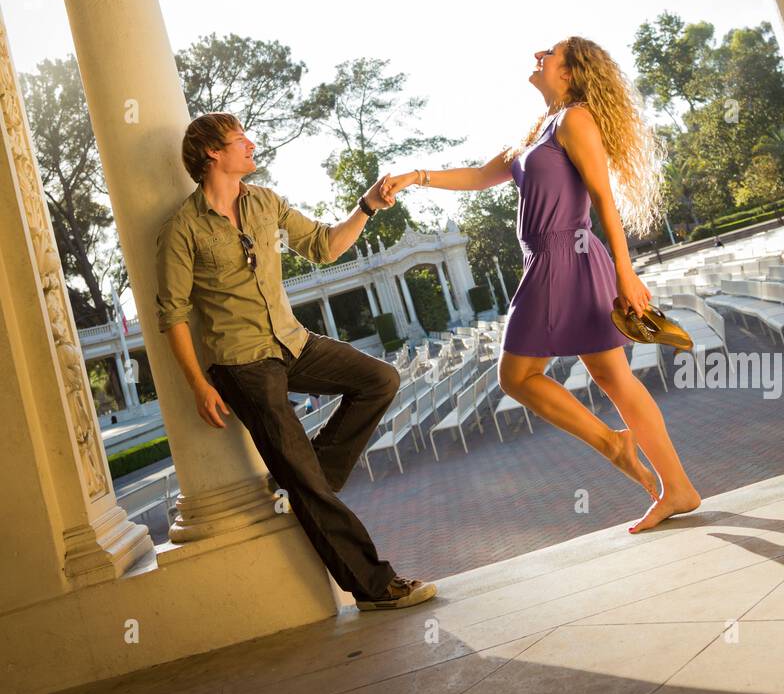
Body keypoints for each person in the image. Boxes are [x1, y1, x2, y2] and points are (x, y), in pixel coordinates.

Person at [381, 38, 701, 533]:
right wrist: (414, 177)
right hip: (549, 262)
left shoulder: (575, 120)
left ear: (570, 73)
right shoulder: (539, 129)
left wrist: (626, 269)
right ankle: (676, 486)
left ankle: (618, 447)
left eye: (548, 54)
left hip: (565, 259)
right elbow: (478, 175)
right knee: (612, 378)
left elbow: (603, 199)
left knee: (518, 376)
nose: (537, 56)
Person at [155, 111, 435, 609]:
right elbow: (172, 316)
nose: (251, 143)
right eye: (240, 138)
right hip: (241, 364)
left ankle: (308, 476)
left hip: (292, 341)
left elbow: (325, 246)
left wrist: (367, 206)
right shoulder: (182, 229)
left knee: (379, 380)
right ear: (212, 153)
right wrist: (198, 384)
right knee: (307, 483)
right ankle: (376, 587)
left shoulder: (265, 201)